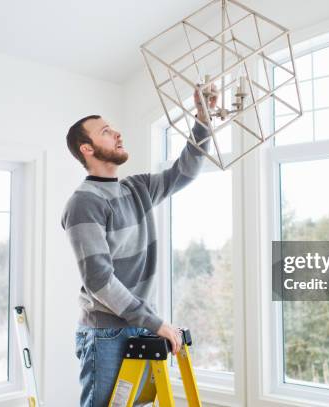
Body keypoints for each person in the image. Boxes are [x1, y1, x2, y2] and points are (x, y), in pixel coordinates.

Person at [61, 85, 217, 407]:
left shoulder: (137, 188)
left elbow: (184, 173)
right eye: (106, 132)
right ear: (87, 149)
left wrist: (202, 119)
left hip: (139, 325)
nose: (117, 134)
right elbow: (99, 280)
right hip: (106, 335)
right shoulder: (83, 203)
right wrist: (155, 322)